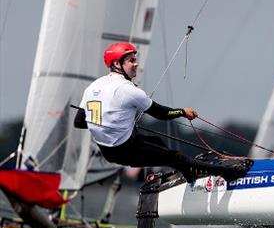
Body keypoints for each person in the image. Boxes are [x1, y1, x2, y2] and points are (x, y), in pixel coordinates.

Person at [75, 42, 250, 182]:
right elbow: (161, 114)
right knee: (175, 157)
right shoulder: (128, 90)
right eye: (131, 60)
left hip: (108, 151)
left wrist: (111, 122)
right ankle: (228, 173)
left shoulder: (93, 87)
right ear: (116, 64)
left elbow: (80, 122)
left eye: (135, 59)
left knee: (156, 141)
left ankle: (189, 174)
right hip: (125, 149)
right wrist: (182, 111)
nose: (136, 64)